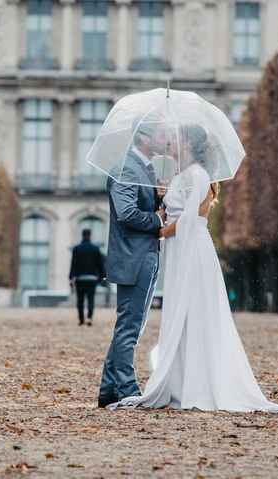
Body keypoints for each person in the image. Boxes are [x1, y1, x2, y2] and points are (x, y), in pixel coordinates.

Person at [107, 125, 278, 414]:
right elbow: (176, 210)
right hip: (181, 250)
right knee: (182, 316)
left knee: (193, 314)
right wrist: (163, 201)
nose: (170, 142)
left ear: (187, 144)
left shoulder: (196, 175)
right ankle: (180, 381)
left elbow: (187, 221)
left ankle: (195, 384)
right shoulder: (183, 176)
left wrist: (159, 230)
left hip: (189, 250)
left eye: (175, 139)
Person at [97, 118, 168, 408]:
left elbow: (135, 204)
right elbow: (126, 213)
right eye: (161, 135)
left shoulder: (142, 169)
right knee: (130, 326)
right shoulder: (128, 168)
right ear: (145, 139)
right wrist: (157, 219)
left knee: (131, 325)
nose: (166, 140)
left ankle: (108, 388)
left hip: (141, 255)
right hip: (134, 257)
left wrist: (156, 197)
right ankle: (126, 388)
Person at [69, 229, 106, 326]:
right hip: (92, 279)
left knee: (80, 300)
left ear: (82, 235)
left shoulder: (77, 248)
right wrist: (103, 276)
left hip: (80, 279)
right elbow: (100, 264)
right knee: (91, 299)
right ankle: (89, 318)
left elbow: (73, 264)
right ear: (90, 235)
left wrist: (71, 277)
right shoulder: (95, 249)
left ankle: (81, 319)